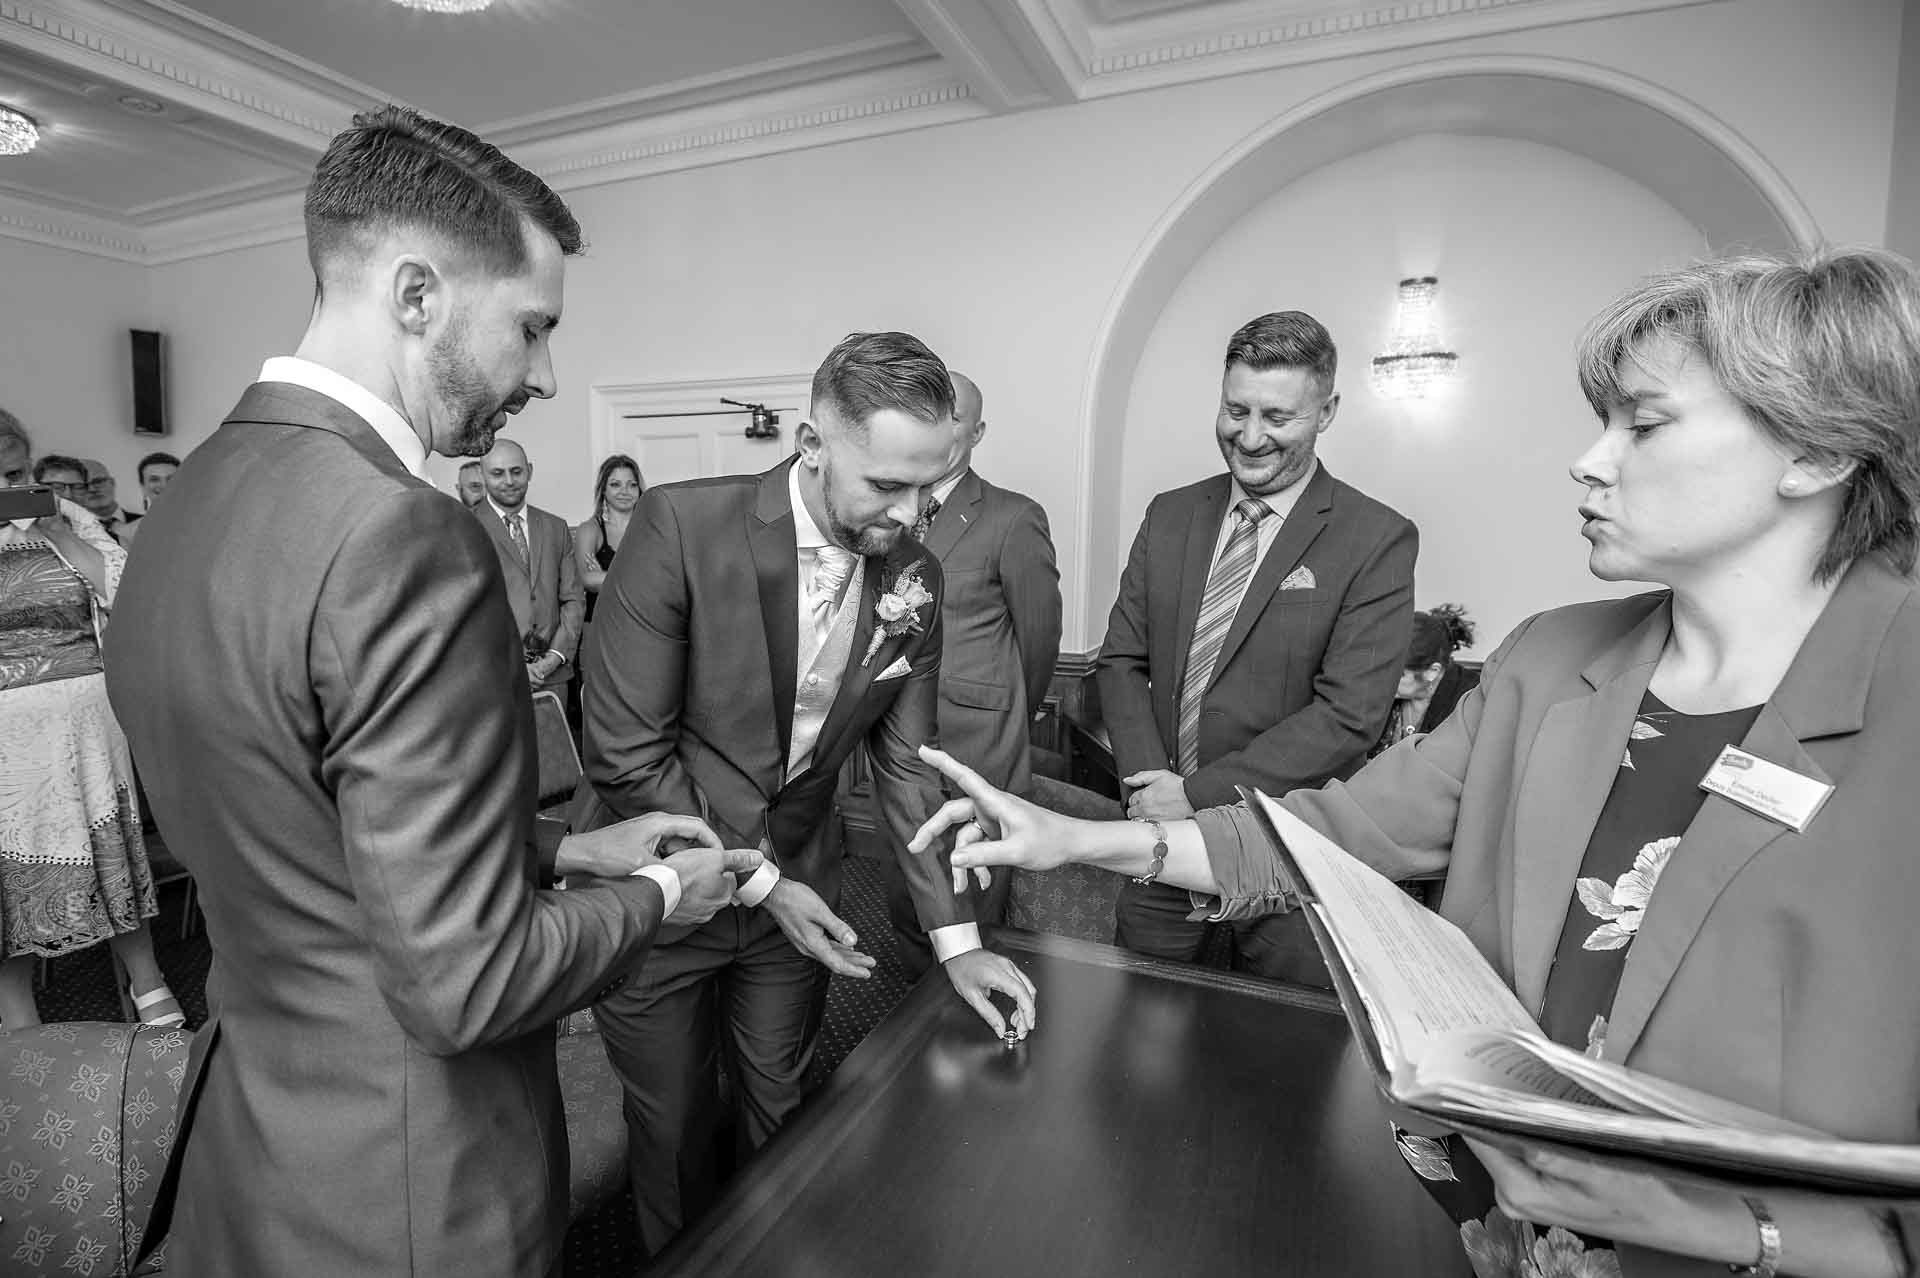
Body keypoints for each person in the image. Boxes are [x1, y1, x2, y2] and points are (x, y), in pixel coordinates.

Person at [911, 247, 1920, 1278]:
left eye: (1645, 424)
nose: (1589, 459)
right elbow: (1344, 831)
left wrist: (1730, 1231)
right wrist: (1080, 834)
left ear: (1818, 452)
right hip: (1490, 1228)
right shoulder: (1549, 658)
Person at [102, 104, 760, 1278]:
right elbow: (468, 983)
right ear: (417, 296)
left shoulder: (181, 505)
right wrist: (664, 890)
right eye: (533, 328)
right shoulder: (406, 536)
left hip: (256, 1142)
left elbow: (313, 816)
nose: (547, 378)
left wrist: (574, 854)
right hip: (417, 1180)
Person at [580, 331, 1039, 1257]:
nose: (912, 513)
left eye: (929, 484)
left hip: (802, 889)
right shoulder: (679, 526)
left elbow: (908, 766)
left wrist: (956, 943)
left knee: (781, 1107)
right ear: (811, 440)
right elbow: (626, 751)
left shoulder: (916, 576)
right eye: (885, 485)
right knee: (671, 1132)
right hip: (662, 888)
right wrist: (758, 884)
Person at [1095, 310, 1416, 983]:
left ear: (1326, 410)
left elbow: (1349, 715)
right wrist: (1153, 788)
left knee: (1271, 1055)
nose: (1249, 435)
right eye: (1235, 409)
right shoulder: (1171, 514)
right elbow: (1121, 662)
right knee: (1140, 1033)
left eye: (1277, 416)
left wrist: (1201, 793)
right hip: (1159, 843)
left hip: (1285, 854)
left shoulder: (1376, 538)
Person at [880, 370, 1060, 978]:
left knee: (974, 904)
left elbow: (1038, 643)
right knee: (907, 901)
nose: (936, 422)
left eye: (951, 414)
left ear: (976, 431)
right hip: (893, 747)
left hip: (978, 747)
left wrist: (1007, 715)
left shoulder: (1013, 517)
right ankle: (913, 1021)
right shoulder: (884, 509)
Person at [0, 425, 181, 1030]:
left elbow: (130, 595)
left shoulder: (67, 517)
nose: (15, 487)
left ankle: (148, 985)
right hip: (6, 734)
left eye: (21, 473)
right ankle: (19, 1028)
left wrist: (59, 534)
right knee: (10, 876)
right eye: (3, 477)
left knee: (112, 858)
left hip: (84, 722)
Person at [474, 437, 584, 699]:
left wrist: (553, 658)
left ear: (529, 471)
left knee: (555, 742)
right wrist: (512, 665)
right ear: (482, 475)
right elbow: (466, 611)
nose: (509, 481)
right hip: (493, 677)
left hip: (553, 676)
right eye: (498, 473)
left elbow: (573, 600)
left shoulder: (556, 527)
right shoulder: (466, 525)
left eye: (516, 471)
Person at [1371, 603, 1479, 757]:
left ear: (1432, 671)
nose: (1384, 681)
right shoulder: (1381, 696)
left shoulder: (1470, 700)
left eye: (1399, 675)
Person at [574, 452, 643, 624]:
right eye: (615, 484)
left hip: (644, 623)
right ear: (603, 489)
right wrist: (641, 580)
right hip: (600, 623)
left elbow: (665, 581)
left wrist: (605, 576)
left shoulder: (652, 529)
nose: (624, 492)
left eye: (631, 485)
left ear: (639, 490)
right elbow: (586, 579)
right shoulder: (590, 529)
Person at [78, 458, 139, 543]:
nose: (92, 489)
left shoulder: (149, 524)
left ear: (112, 483)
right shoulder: (73, 535)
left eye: (98, 481)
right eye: (82, 485)